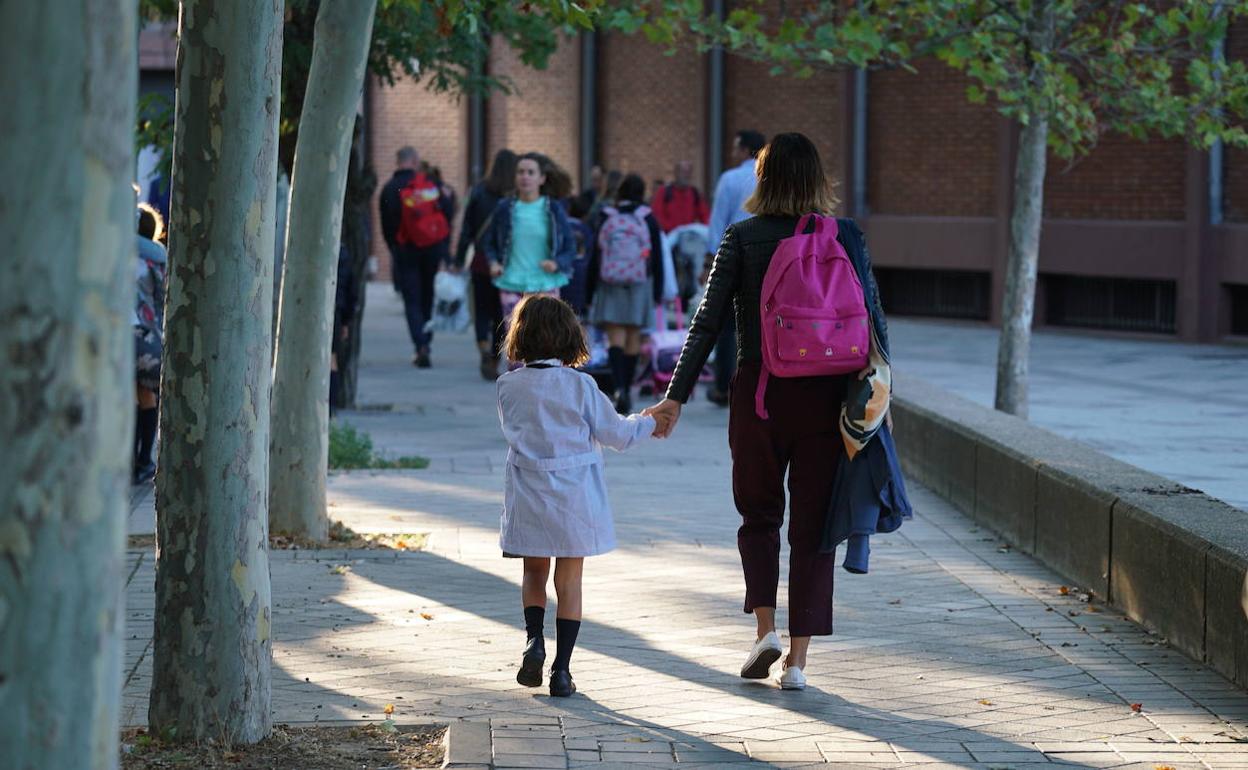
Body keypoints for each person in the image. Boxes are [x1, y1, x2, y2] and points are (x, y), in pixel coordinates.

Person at [645, 133, 890, 692]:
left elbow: (706, 322)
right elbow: (875, 320)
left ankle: (765, 631)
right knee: (813, 530)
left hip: (759, 394)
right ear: (816, 179)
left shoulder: (743, 236)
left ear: (763, 178)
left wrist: (674, 397)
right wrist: (882, 401)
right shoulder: (847, 235)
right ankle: (798, 664)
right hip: (829, 402)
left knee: (759, 516)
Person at [496, 295, 665, 697]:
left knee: (533, 573)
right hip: (573, 497)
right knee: (568, 581)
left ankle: (533, 641)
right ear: (569, 336)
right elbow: (617, 435)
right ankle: (562, 671)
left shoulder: (508, 386)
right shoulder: (581, 385)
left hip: (527, 492)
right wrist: (648, 421)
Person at [586, 174, 664, 414]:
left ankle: (618, 388)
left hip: (610, 282)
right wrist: (657, 291)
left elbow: (595, 256)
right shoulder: (648, 218)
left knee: (615, 338)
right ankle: (627, 389)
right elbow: (657, 257)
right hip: (640, 283)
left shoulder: (606, 215)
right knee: (633, 337)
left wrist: (589, 290)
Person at [481, 153, 577, 341]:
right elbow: (489, 241)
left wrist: (557, 263)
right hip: (512, 282)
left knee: (548, 341)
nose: (525, 176)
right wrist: (493, 263)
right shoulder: (505, 207)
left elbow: (570, 246)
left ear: (541, 179)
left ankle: (544, 372)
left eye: (530, 172)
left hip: (546, 283)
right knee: (516, 341)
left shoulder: (553, 209)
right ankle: (519, 372)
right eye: (520, 172)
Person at [703, 130, 766, 405]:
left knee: (727, 326)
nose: (732, 153)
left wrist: (709, 262)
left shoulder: (730, 179)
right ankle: (761, 386)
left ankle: (723, 387)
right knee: (763, 324)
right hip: (769, 259)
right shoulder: (772, 177)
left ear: (745, 150)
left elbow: (719, 222)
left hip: (734, 258)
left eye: (735, 148)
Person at [379, 146, 453, 368]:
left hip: (405, 250)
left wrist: (393, 246)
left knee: (411, 299)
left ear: (398, 161)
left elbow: (386, 224)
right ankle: (426, 338)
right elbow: (447, 210)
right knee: (427, 296)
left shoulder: (390, 188)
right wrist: (442, 245)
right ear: (415, 161)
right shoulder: (431, 184)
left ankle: (420, 345)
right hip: (431, 249)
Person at [457, 149, 518, 380]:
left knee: (481, 309)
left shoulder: (479, 191)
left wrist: (458, 257)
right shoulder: (514, 196)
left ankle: (482, 345)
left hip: (481, 260)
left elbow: (467, 229)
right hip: (507, 263)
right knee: (500, 313)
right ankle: (494, 358)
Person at [133, 203, 167, 485]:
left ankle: (130, 458)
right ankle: (145, 460)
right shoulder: (158, 257)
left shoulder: (118, 249)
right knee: (146, 395)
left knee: (128, 396)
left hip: (121, 333)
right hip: (149, 336)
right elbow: (161, 300)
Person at [651, 160, 709, 233]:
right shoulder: (664, 192)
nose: (686, 175)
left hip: (688, 238)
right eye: (684, 172)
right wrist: (673, 230)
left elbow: (705, 217)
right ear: (676, 173)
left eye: (689, 172)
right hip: (669, 237)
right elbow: (656, 216)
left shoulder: (695, 193)